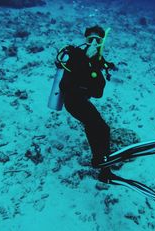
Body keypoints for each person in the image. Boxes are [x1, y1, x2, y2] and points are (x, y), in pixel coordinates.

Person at [59, 25, 118, 183]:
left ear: (101, 42)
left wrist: (107, 66)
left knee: (93, 125)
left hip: (82, 100)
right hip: (72, 99)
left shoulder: (97, 58)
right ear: (85, 40)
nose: (92, 43)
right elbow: (66, 80)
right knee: (101, 128)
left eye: (96, 40)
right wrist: (85, 59)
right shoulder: (76, 54)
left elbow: (98, 91)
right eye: (89, 39)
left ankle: (102, 166)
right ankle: (102, 165)